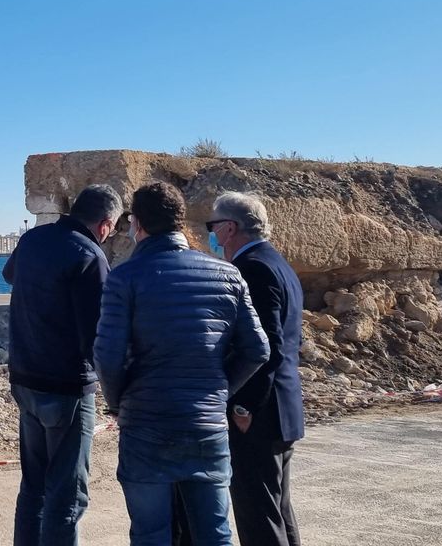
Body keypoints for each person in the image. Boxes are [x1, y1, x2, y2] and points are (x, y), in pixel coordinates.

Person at [94, 182, 269, 546]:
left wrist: (117, 402)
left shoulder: (124, 276)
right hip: (206, 424)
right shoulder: (227, 274)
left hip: (146, 423)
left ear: (137, 224)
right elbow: (257, 350)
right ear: (180, 222)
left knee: (150, 533)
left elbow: (107, 356)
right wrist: (219, 391)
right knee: (215, 534)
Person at [2, 185, 125, 546]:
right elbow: (98, 335)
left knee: (34, 486)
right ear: (105, 224)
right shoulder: (89, 255)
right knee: (68, 495)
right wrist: (116, 393)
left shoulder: (33, 239)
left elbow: (11, 276)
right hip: (67, 385)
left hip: (24, 376)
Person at [204, 192, 304, 546]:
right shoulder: (278, 263)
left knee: (257, 514)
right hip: (282, 407)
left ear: (229, 228)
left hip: (258, 413)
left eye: (212, 226)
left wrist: (244, 404)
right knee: (277, 511)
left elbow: (265, 348)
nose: (210, 234)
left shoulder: (252, 269)